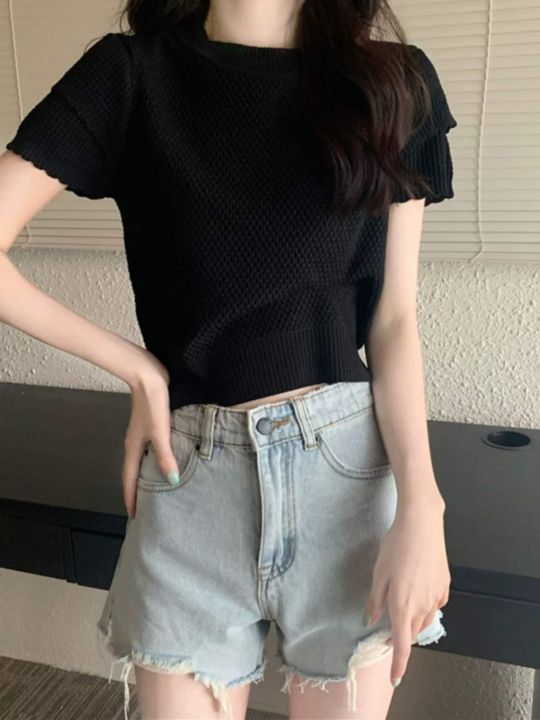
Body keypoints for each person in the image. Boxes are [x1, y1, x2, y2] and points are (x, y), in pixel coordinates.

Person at [0, 1, 457, 718]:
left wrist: (423, 507)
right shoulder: (130, 77)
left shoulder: (393, 83)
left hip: (348, 484)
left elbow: (394, 319)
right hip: (190, 482)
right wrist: (139, 370)